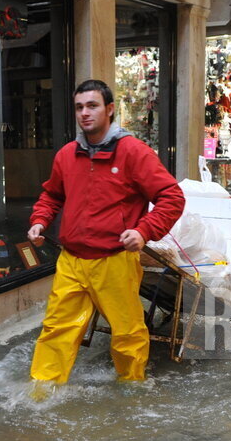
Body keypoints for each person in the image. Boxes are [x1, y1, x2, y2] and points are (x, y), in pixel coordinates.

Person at [27, 79, 185, 398]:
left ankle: (131, 388)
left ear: (110, 110)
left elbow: (172, 196)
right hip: (71, 260)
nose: (85, 113)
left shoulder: (133, 152)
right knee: (57, 328)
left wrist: (144, 231)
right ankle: (42, 392)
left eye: (93, 105)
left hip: (115, 260)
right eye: (79, 107)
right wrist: (40, 221)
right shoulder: (67, 155)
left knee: (126, 331)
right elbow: (52, 195)